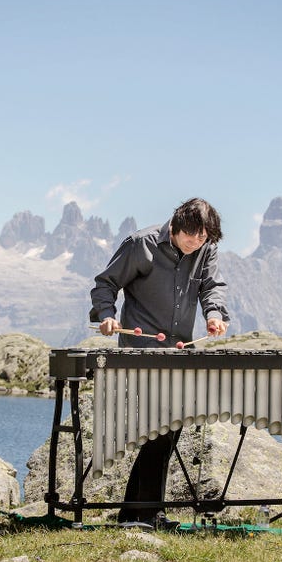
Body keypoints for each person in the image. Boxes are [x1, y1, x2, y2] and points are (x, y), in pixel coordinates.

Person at [89, 197, 230, 524]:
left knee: (166, 429)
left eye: (203, 238)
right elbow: (106, 283)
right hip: (142, 351)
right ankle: (147, 512)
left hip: (180, 353)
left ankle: (137, 512)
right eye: (192, 236)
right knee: (162, 427)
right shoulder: (143, 244)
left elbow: (212, 287)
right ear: (177, 224)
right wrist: (107, 315)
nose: (196, 243)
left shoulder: (205, 250)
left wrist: (214, 314)